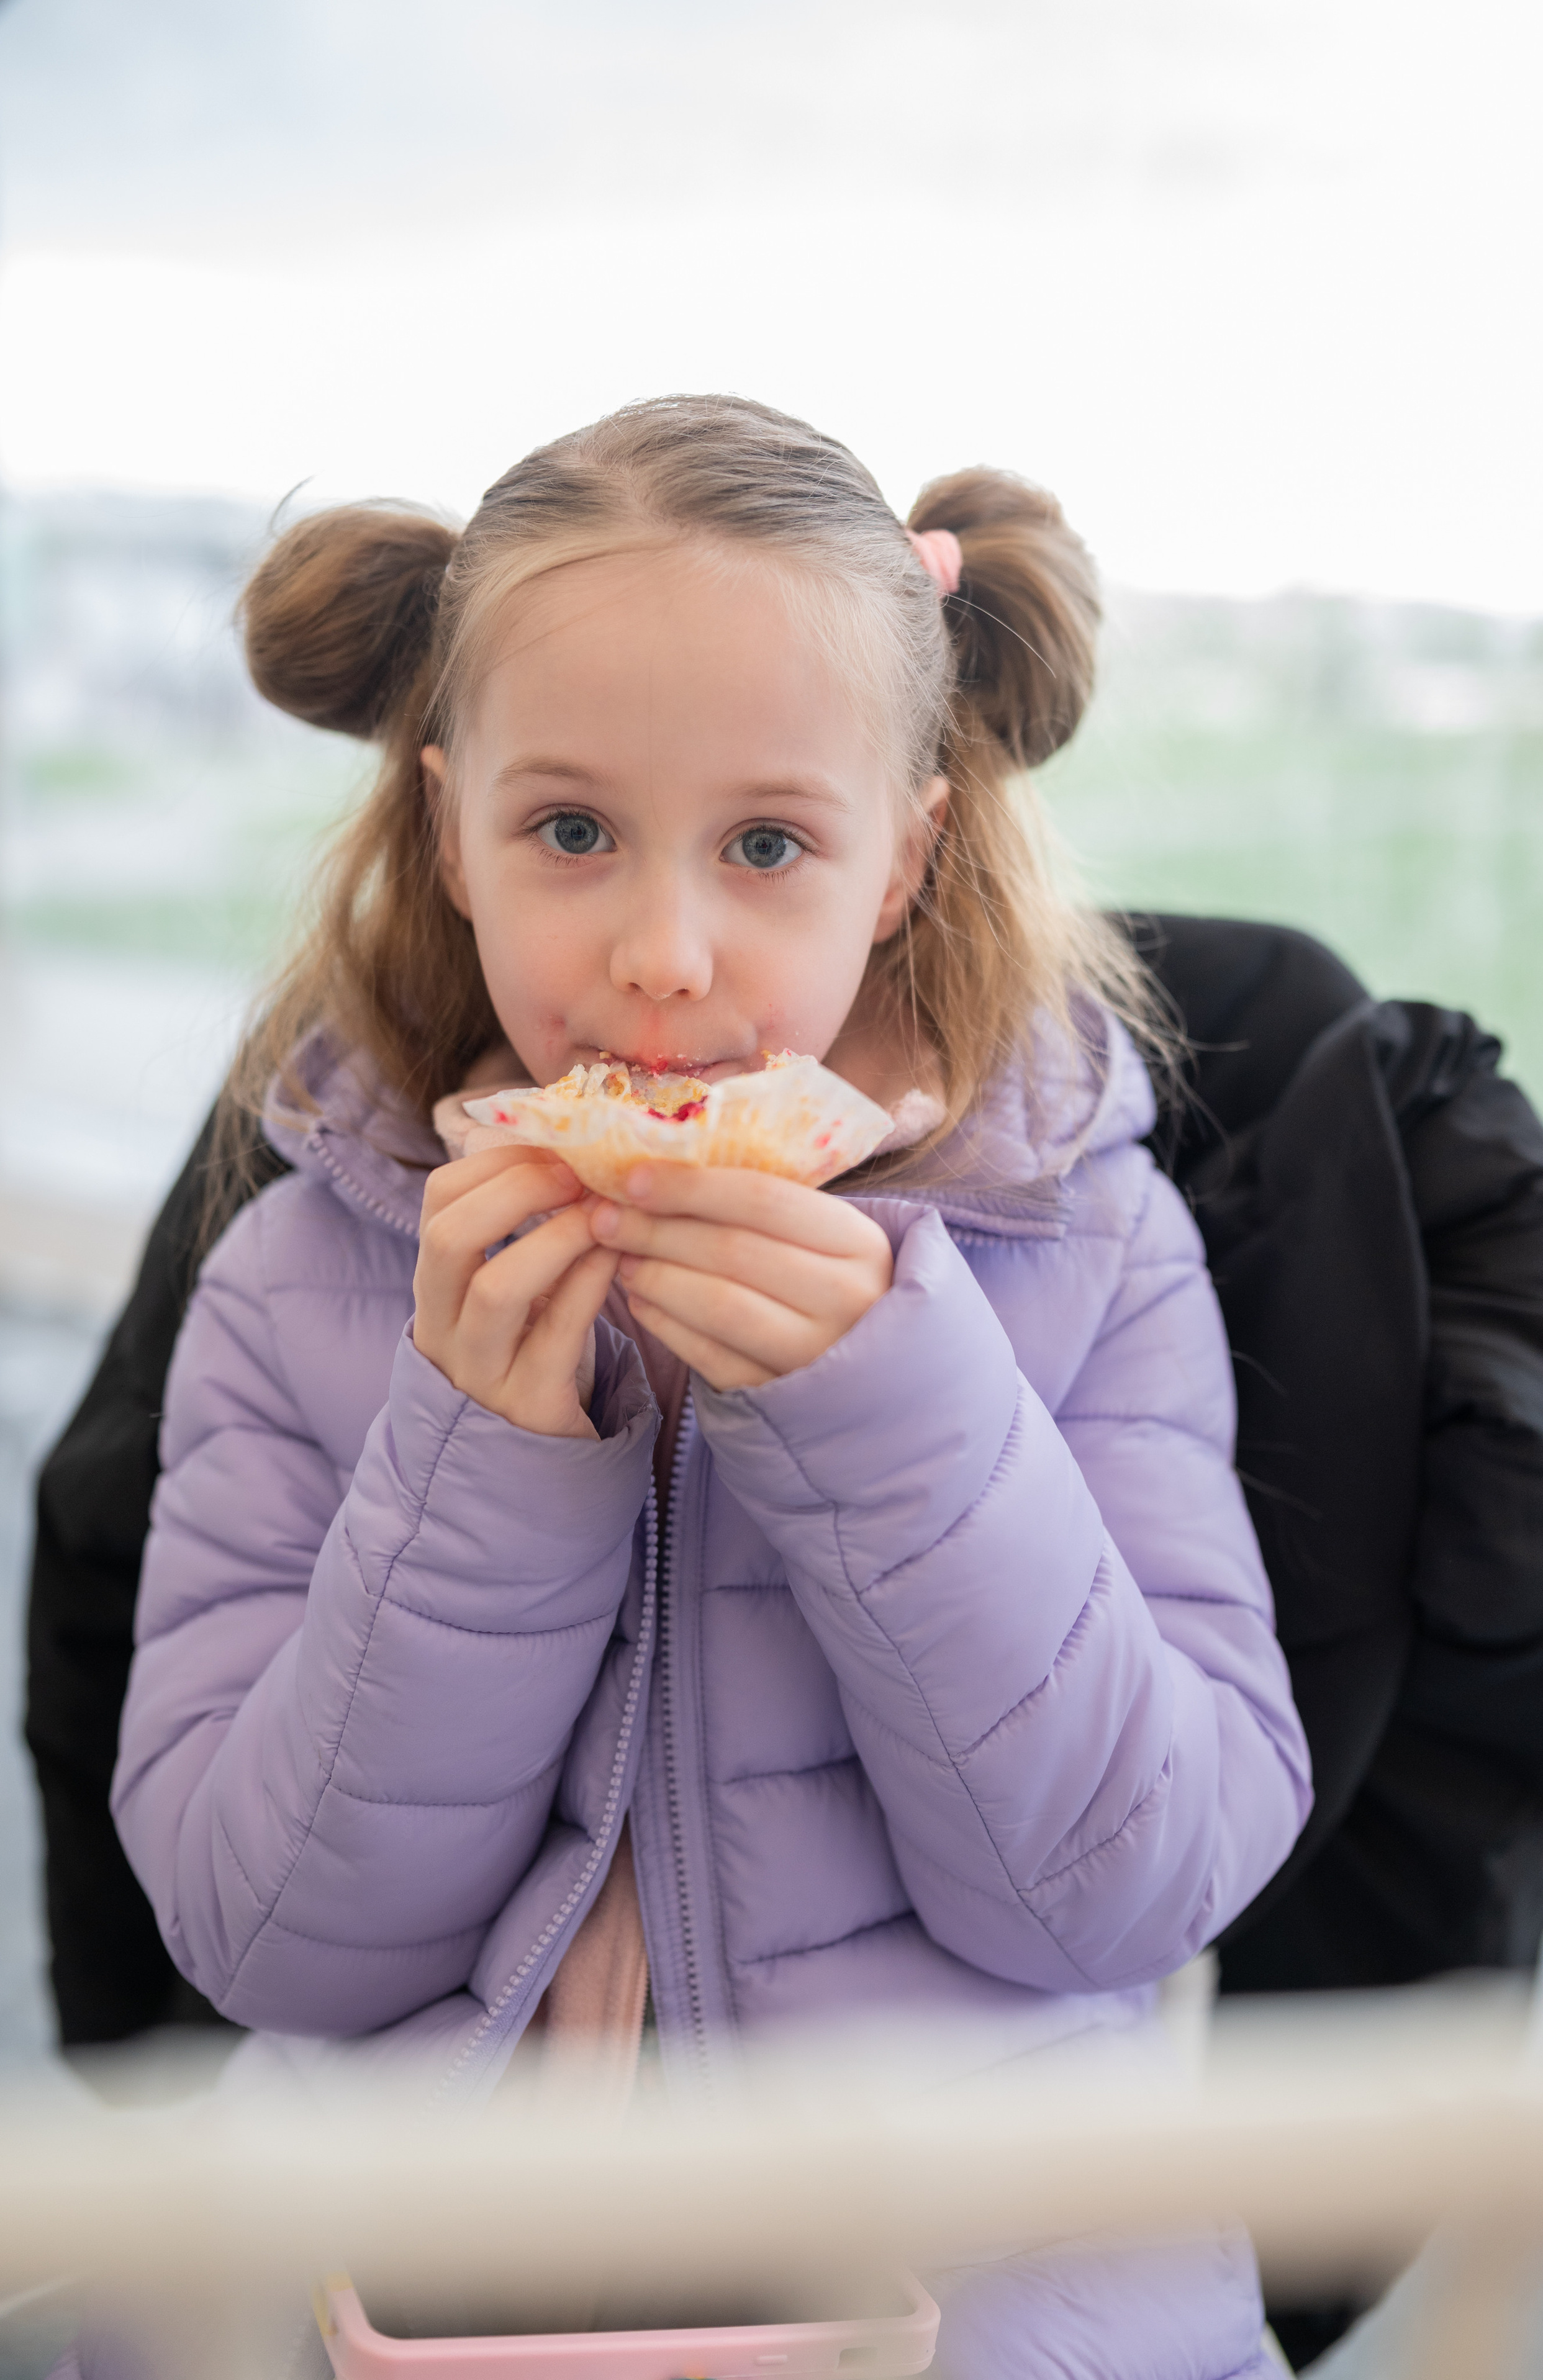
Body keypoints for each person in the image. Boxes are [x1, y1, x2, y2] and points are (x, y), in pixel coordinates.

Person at [87, 397, 1311, 2379]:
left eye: (767, 844)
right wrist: (472, 1457)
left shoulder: (1091, 1248)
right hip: (394, 2289)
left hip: (997, 2286)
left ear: (904, 857)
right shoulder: (294, 1278)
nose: (664, 955)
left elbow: (1135, 1887)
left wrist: (898, 1420)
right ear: (451, 832)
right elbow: (262, 1939)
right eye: (572, 831)